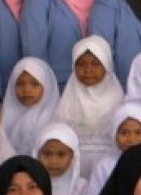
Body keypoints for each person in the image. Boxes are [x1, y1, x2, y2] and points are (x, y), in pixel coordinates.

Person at [53, 35, 125, 178]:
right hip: (74, 166)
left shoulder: (118, 99)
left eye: (95, 64)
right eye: (81, 64)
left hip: (111, 166)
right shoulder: (67, 99)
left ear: (107, 65)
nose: (88, 70)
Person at [76, 103, 141, 195]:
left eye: (138, 133)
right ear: (114, 135)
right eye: (124, 133)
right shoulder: (104, 166)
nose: (131, 139)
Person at [36, 122, 85, 195]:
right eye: (47, 154)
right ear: (37, 154)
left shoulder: (81, 187)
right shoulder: (32, 184)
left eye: (61, 155)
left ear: (72, 156)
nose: (53, 161)